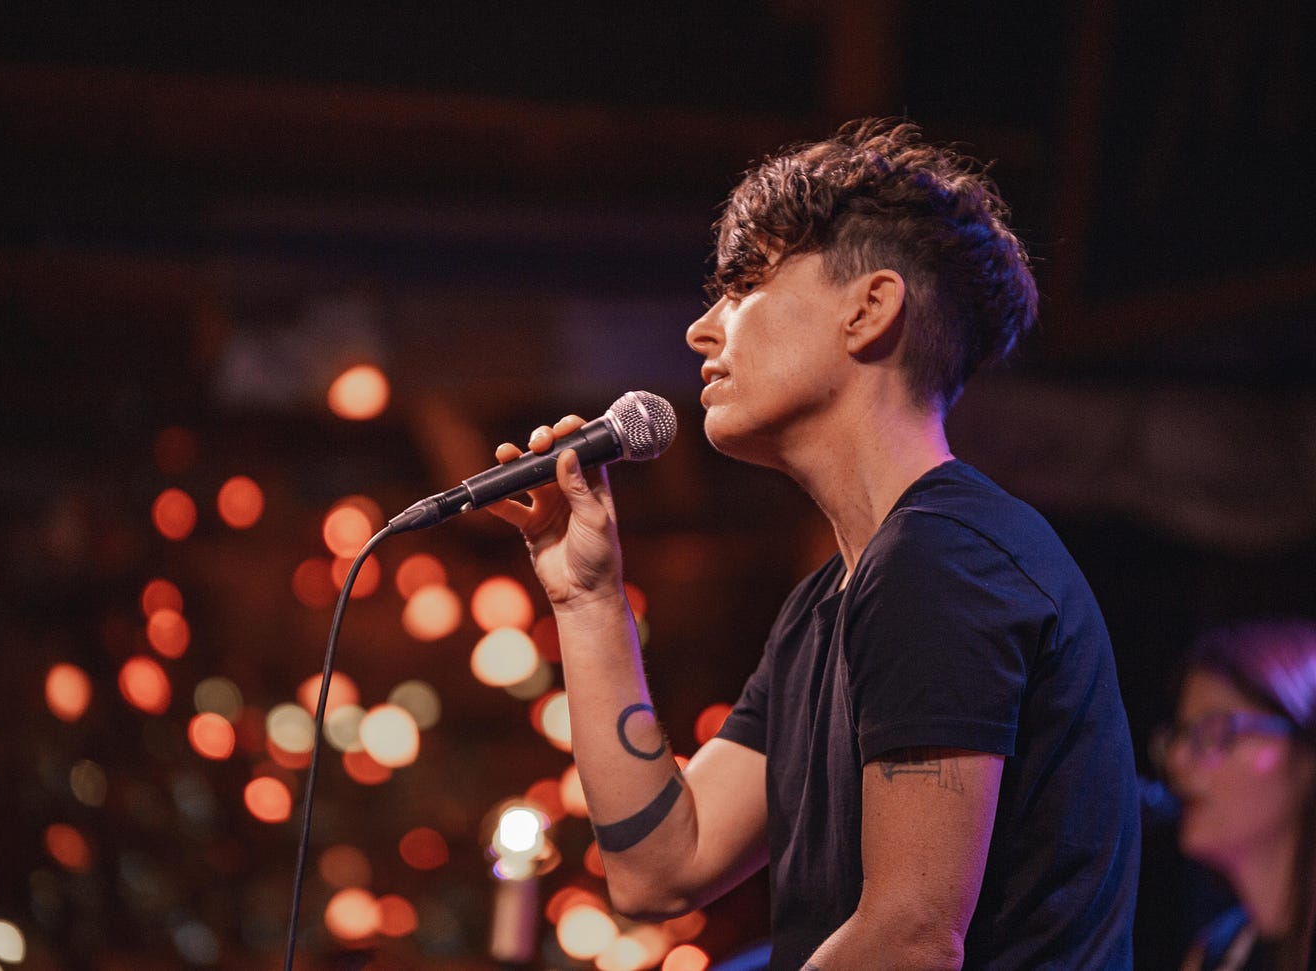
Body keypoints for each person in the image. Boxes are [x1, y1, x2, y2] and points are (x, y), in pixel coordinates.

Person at [489, 118, 1141, 969]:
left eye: (747, 281)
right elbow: (660, 868)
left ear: (869, 309)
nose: (702, 329)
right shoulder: (829, 605)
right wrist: (587, 598)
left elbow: (910, 938)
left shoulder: (942, 560)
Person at [1154, 619, 1316, 971]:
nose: (1178, 760)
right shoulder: (1217, 952)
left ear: (1307, 751)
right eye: (1180, 735)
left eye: (1213, 731)